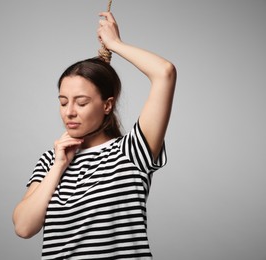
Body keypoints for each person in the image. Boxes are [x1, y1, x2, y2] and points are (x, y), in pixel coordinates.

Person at [13, 11, 176, 259]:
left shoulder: (132, 152)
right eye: (63, 101)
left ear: (107, 105)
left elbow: (164, 73)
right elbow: (24, 228)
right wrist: (58, 166)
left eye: (81, 102)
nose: (69, 112)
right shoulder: (50, 159)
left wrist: (115, 45)